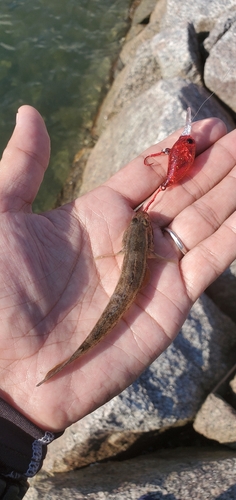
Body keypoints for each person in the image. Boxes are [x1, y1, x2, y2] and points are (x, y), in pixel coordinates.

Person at [0, 105, 236, 498]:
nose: (138, 221)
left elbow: (138, 242)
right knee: (109, 317)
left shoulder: (138, 240)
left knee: (112, 314)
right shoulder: (142, 241)